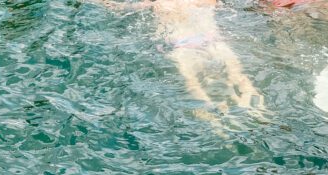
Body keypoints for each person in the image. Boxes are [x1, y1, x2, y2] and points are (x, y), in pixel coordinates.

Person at [99, 0, 264, 120]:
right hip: (213, 41)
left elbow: (117, 8)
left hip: (183, 48)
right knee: (240, 77)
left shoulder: (156, 4)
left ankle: (216, 121)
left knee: (193, 84)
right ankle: (261, 112)